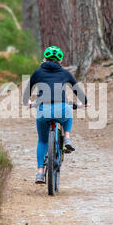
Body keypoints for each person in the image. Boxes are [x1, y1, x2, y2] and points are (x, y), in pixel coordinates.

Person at [23, 46, 88, 184]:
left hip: (43, 110)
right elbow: (78, 91)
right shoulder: (65, 73)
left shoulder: (38, 73)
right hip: (62, 108)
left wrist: (28, 102)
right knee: (68, 112)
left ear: (45, 59)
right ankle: (67, 137)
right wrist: (85, 103)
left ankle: (40, 172)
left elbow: (26, 94)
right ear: (60, 60)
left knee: (42, 141)